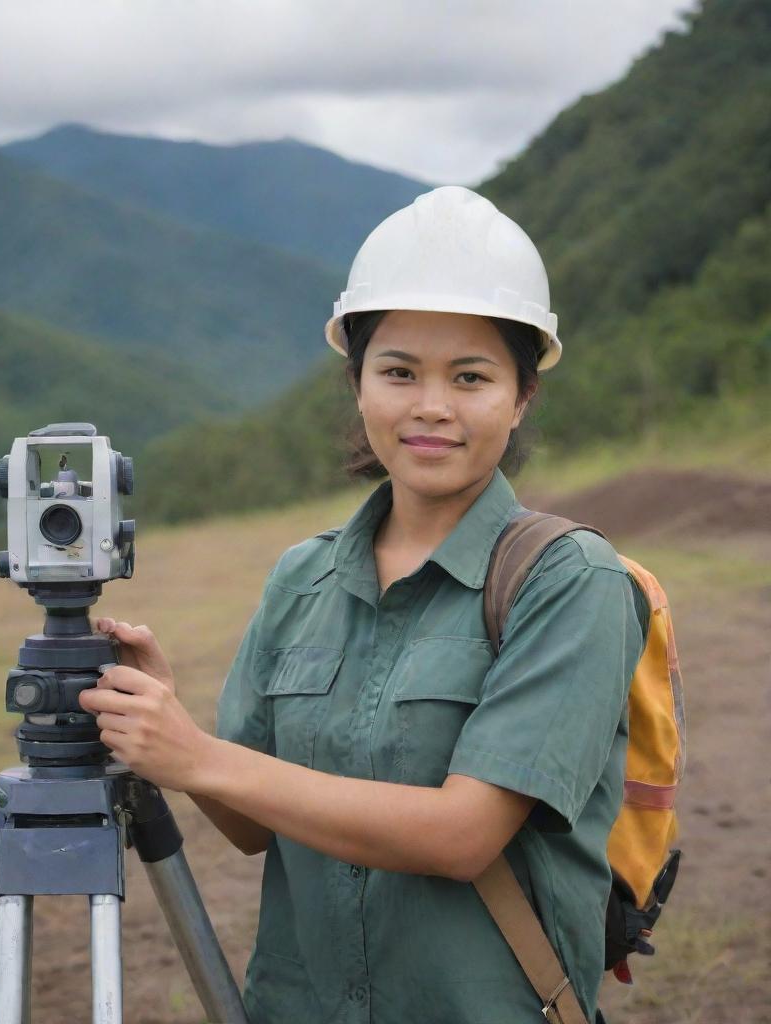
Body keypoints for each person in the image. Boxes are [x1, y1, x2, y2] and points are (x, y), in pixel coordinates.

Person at [79, 186, 648, 1024]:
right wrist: (174, 726)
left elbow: (463, 837)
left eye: (471, 377)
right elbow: (251, 828)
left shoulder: (572, 582)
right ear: (358, 384)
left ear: (523, 394)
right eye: (398, 372)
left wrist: (198, 757)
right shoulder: (300, 578)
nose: (430, 406)